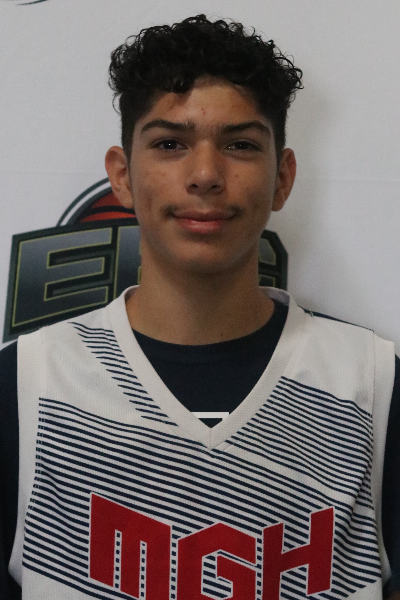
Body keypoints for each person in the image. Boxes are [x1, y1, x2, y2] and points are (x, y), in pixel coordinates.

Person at [0, 14, 399, 600]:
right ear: (122, 176)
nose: (206, 175)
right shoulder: (26, 386)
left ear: (283, 177)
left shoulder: (372, 385)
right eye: (170, 144)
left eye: (240, 145)